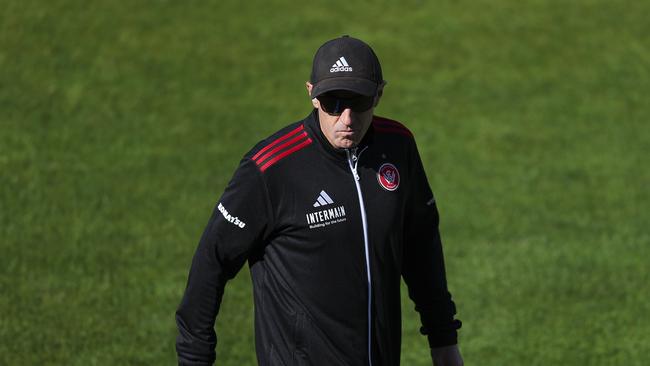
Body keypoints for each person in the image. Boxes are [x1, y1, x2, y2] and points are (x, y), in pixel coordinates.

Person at [176, 35, 463, 366]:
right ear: (312, 94)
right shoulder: (270, 169)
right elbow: (211, 263)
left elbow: (421, 246)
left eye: (358, 102)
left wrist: (444, 340)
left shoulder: (398, 147)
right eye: (333, 104)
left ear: (379, 94)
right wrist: (194, 360)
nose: (346, 119)